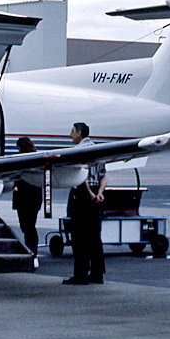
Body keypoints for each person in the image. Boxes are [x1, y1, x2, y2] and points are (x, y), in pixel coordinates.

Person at [63, 122, 107, 285]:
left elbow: (80, 176)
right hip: (97, 193)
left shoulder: (78, 151)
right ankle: (97, 273)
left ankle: (80, 274)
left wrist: (90, 195)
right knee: (94, 236)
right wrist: (99, 193)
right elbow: (104, 175)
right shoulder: (98, 149)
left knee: (79, 236)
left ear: (79, 133)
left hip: (82, 195)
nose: (70, 135)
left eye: (72, 131)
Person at [12, 137, 40, 252]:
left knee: (26, 226)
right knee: (29, 225)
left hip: (24, 197)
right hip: (33, 197)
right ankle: (32, 249)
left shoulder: (21, 160)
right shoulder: (36, 160)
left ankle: (31, 249)